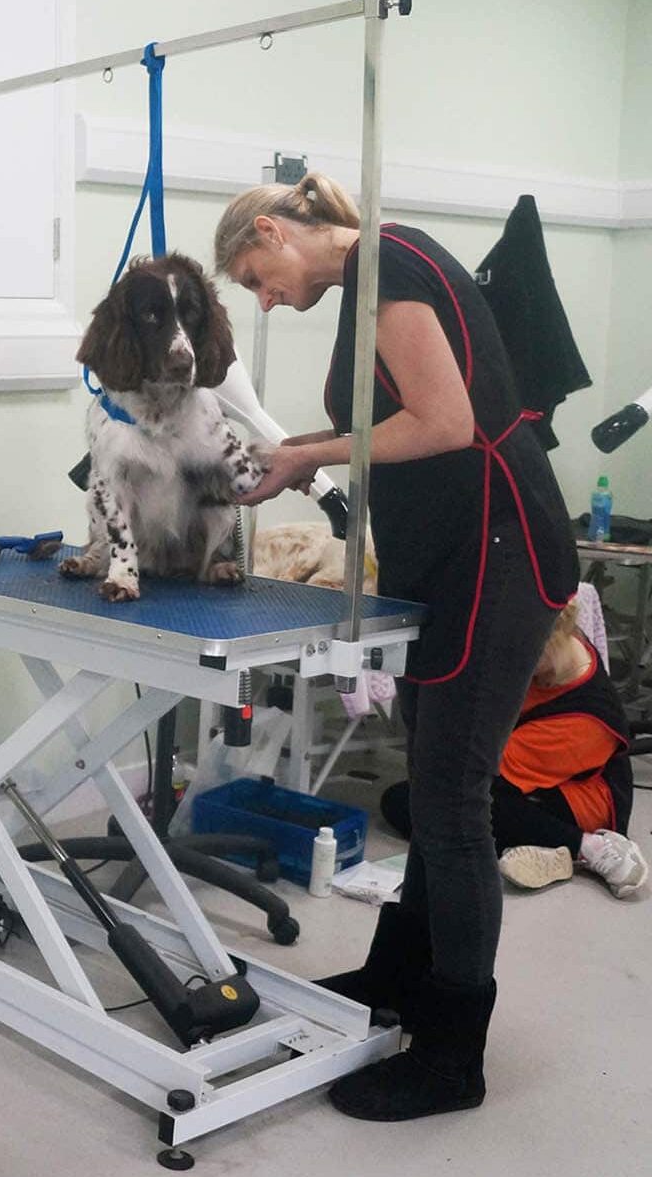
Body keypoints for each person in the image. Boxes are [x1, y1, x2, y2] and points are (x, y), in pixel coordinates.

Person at [215, 173, 578, 1122]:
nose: (264, 300)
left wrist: (313, 455)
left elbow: (447, 423)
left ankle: (454, 1053)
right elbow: (391, 417)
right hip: (457, 556)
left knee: (454, 804)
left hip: (495, 554)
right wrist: (298, 446)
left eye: (257, 277)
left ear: (273, 230)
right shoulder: (372, 275)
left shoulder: (392, 261)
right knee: (437, 776)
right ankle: (400, 976)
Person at [380, 597, 646, 898]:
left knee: (433, 804)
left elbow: (484, 773)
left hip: (573, 803)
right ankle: (545, 852)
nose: (511, 666)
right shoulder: (554, 657)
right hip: (523, 779)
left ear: (553, 642)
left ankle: (589, 847)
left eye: (522, 657)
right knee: (418, 802)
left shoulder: (585, 722)